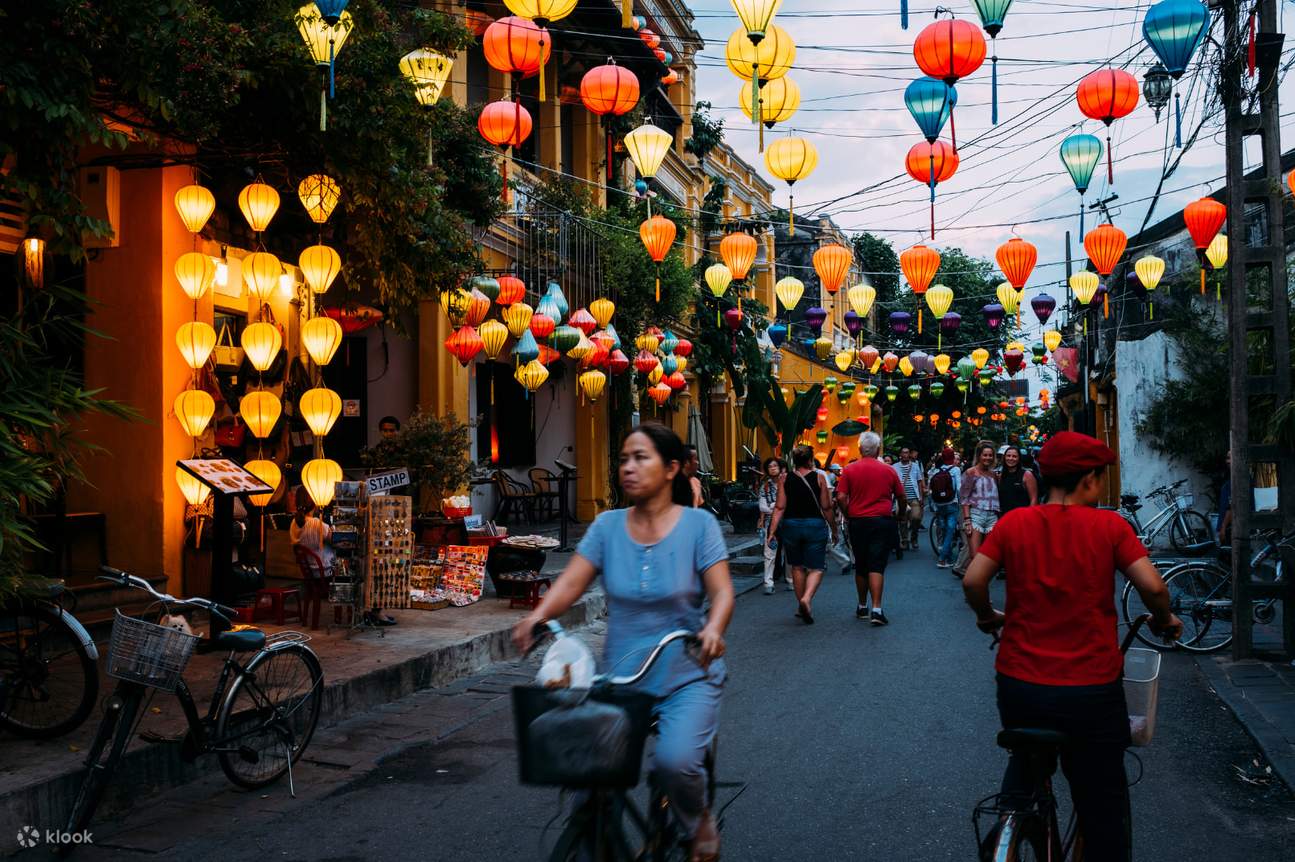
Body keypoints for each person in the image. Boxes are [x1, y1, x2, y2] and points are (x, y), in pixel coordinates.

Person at [513, 424, 734, 862]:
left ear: (671, 469)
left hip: (685, 675)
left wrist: (712, 629)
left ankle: (699, 822)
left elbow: (722, 591)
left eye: (641, 458)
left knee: (675, 763)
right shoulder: (607, 526)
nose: (628, 467)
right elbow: (572, 581)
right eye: (624, 459)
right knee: (586, 773)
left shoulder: (699, 525)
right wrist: (539, 615)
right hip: (620, 680)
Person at [961, 431, 1183, 862]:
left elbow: (973, 581)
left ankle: (1012, 820)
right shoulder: (1110, 527)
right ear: (1089, 480)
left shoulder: (1014, 523)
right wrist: (1164, 619)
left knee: (1026, 765)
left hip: (1021, 684)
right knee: (1102, 800)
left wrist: (986, 616)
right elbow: (1155, 588)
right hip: (1091, 688)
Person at [836, 432, 906, 625]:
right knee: (876, 564)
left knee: (861, 564)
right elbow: (901, 496)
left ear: (859, 449)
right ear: (877, 449)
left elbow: (840, 496)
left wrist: (848, 513)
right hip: (882, 521)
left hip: (858, 521)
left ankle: (862, 606)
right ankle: (876, 609)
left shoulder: (849, 470)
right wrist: (900, 514)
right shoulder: (888, 470)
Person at [767, 444, 834, 624]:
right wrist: (834, 529)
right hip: (815, 525)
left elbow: (779, 507)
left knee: (796, 567)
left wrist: (772, 531)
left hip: (791, 526)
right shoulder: (819, 477)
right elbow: (826, 507)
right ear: (810, 460)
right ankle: (807, 598)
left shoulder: (784, 478)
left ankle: (801, 604)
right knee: (816, 567)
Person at [960, 441, 1001, 564]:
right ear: (979, 456)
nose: (988, 458)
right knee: (974, 556)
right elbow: (964, 498)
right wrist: (967, 521)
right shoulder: (971, 472)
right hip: (976, 516)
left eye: (990, 455)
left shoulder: (994, 475)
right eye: (985, 455)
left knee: (989, 557)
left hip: (992, 517)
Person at [927, 447, 962, 569]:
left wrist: (933, 505)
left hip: (939, 504)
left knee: (945, 530)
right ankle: (942, 558)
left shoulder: (936, 470)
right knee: (950, 530)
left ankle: (949, 557)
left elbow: (931, 489)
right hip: (952, 503)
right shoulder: (956, 470)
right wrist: (961, 502)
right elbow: (959, 488)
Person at [757, 457, 787, 595]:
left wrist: (773, 505)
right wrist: (778, 507)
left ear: (780, 468)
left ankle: (790, 579)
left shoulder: (787, 484)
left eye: (775, 466)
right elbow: (763, 507)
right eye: (770, 466)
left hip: (786, 522)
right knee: (769, 553)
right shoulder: (765, 486)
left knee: (789, 551)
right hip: (770, 523)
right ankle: (768, 583)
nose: (773, 468)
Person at [892, 446, 926, 551]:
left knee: (916, 518)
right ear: (900, 455)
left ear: (909, 454)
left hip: (914, 497)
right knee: (903, 520)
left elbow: (919, 481)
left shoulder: (915, 466)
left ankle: (914, 538)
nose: (905, 455)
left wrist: (921, 496)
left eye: (907, 452)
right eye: (903, 453)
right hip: (901, 498)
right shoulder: (894, 467)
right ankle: (904, 541)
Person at [997, 445, 1038, 515]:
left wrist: (1029, 516)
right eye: (1008, 456)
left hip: (1022, 516)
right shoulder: (1001, 476)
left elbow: (1034, 499)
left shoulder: (1027, 475)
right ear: (1004, 458)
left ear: (1019, 458)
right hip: (1005, 516)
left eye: (1014, 456)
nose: (1011, 458)